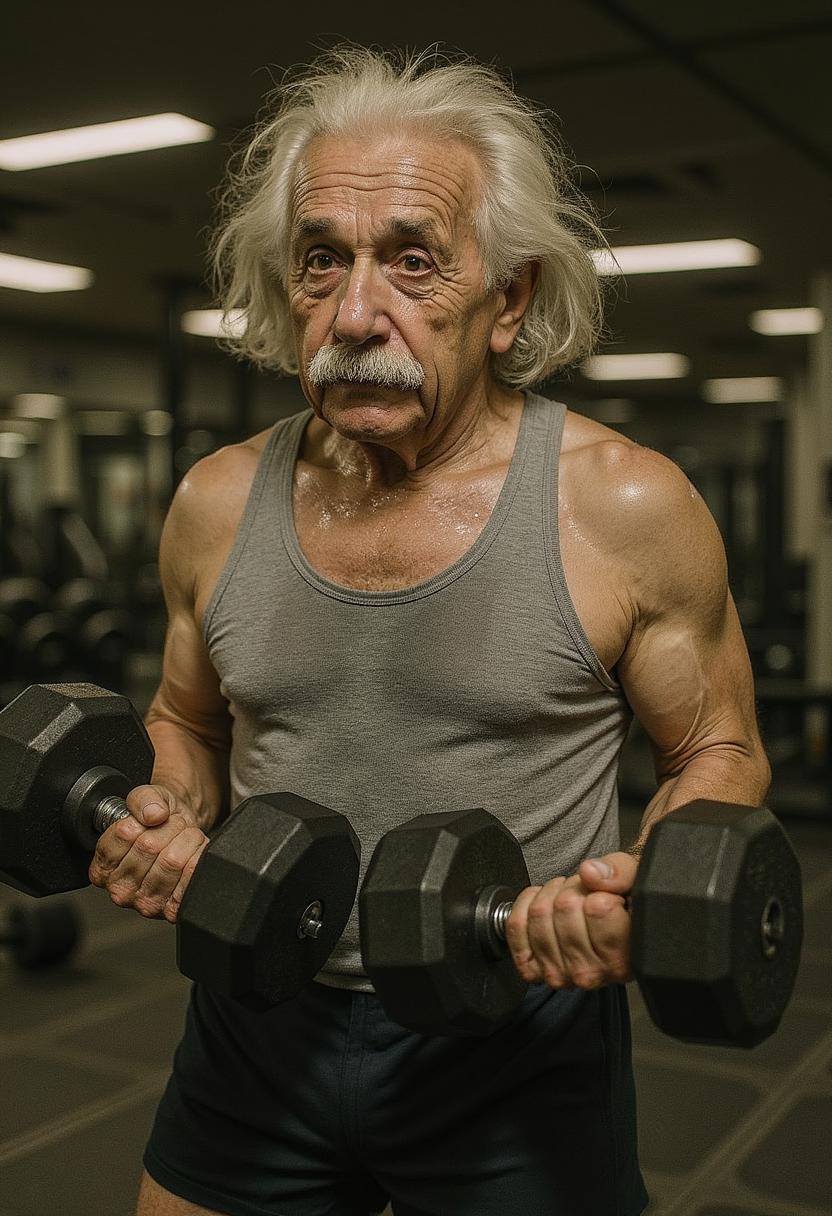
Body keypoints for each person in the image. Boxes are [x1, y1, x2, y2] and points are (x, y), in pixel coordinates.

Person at [89, 45, 770, 1216]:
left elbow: (717, 750)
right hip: (257, 1008)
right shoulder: (212, 501)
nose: (358, 313)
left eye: (413, 262)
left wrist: (644, 879)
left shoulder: (620, 503)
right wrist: (163, 807)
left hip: (509, 1025)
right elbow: (186, 720)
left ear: (505, 299)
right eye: (322, 263)